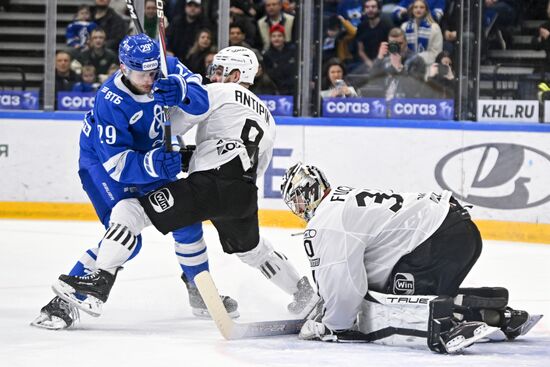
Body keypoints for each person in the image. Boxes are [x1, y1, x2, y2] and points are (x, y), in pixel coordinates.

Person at [47, 46, 319, 324]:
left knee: (132, 212)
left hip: (209, 186)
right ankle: (303, 293)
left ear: (236, 74)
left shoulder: (219, 92)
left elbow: (171, 126)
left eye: (219, 71)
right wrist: (193, 154)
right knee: (252, 249)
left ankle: (99, 282)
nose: (212, 76)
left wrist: (169, 101)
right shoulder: (268, 116)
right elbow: (251, 161)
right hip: (244, 194)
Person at [31, 34, 238, 330]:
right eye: (143, 74)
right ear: (123, 67)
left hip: (151, 154)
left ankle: (199, 291)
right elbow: (117, 165)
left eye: (155, 72)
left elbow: (201, 101)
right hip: (102, 165)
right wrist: (154, 163)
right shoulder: (109, 100)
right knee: (127, 235)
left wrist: (180, 89)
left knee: (186, 220)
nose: (151, 79)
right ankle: (66, 300)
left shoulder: (165, 66)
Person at [280, 163, 543, 353]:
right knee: (402, 290)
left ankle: (446, 327)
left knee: (378, 309)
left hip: (436, 241)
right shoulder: (343, 201)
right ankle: (499, 314)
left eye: (296, 200)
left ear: (306, 192)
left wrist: (331, 326)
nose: (298, 208)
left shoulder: (327, 221)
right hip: (459, 231)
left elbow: (345, 286)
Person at [368, 27, 427, 100]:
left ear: (406, 42)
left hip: (406, 104)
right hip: (384, 103)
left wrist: (399, 68)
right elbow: (372, 83)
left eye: (400, 43)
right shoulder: (384, 60)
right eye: (393, 44)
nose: (397, 47)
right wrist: (379, 58)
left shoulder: (417, 60)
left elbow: (414, 90)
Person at [400, 0, 443, 65]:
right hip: (407, 65)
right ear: (412, 10)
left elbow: (436, 52)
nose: (418, 9)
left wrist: (418, 58)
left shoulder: (434, 28)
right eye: (415, 7)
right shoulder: (404, 27)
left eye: (422, 7)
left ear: (426, 10)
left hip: (428, 65)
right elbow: (401, 50)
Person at [355, 0, 393, 72]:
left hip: (385, 61)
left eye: (373, 7)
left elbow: (392, 48)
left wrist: (378, 63)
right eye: (367, 7)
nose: (370, 9)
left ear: (379, 9)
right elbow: (360, 51)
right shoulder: (361, 27)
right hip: (366, 63)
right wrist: (370, 64)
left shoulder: (387, 25)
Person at [262, 23, 297, 95]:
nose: (276, 38)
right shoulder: (267, 55)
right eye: (273, 36)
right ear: (270, 38)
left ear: (284, 38)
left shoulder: (294, 51)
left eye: (279, 36)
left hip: (294, 89)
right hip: (276, 90)